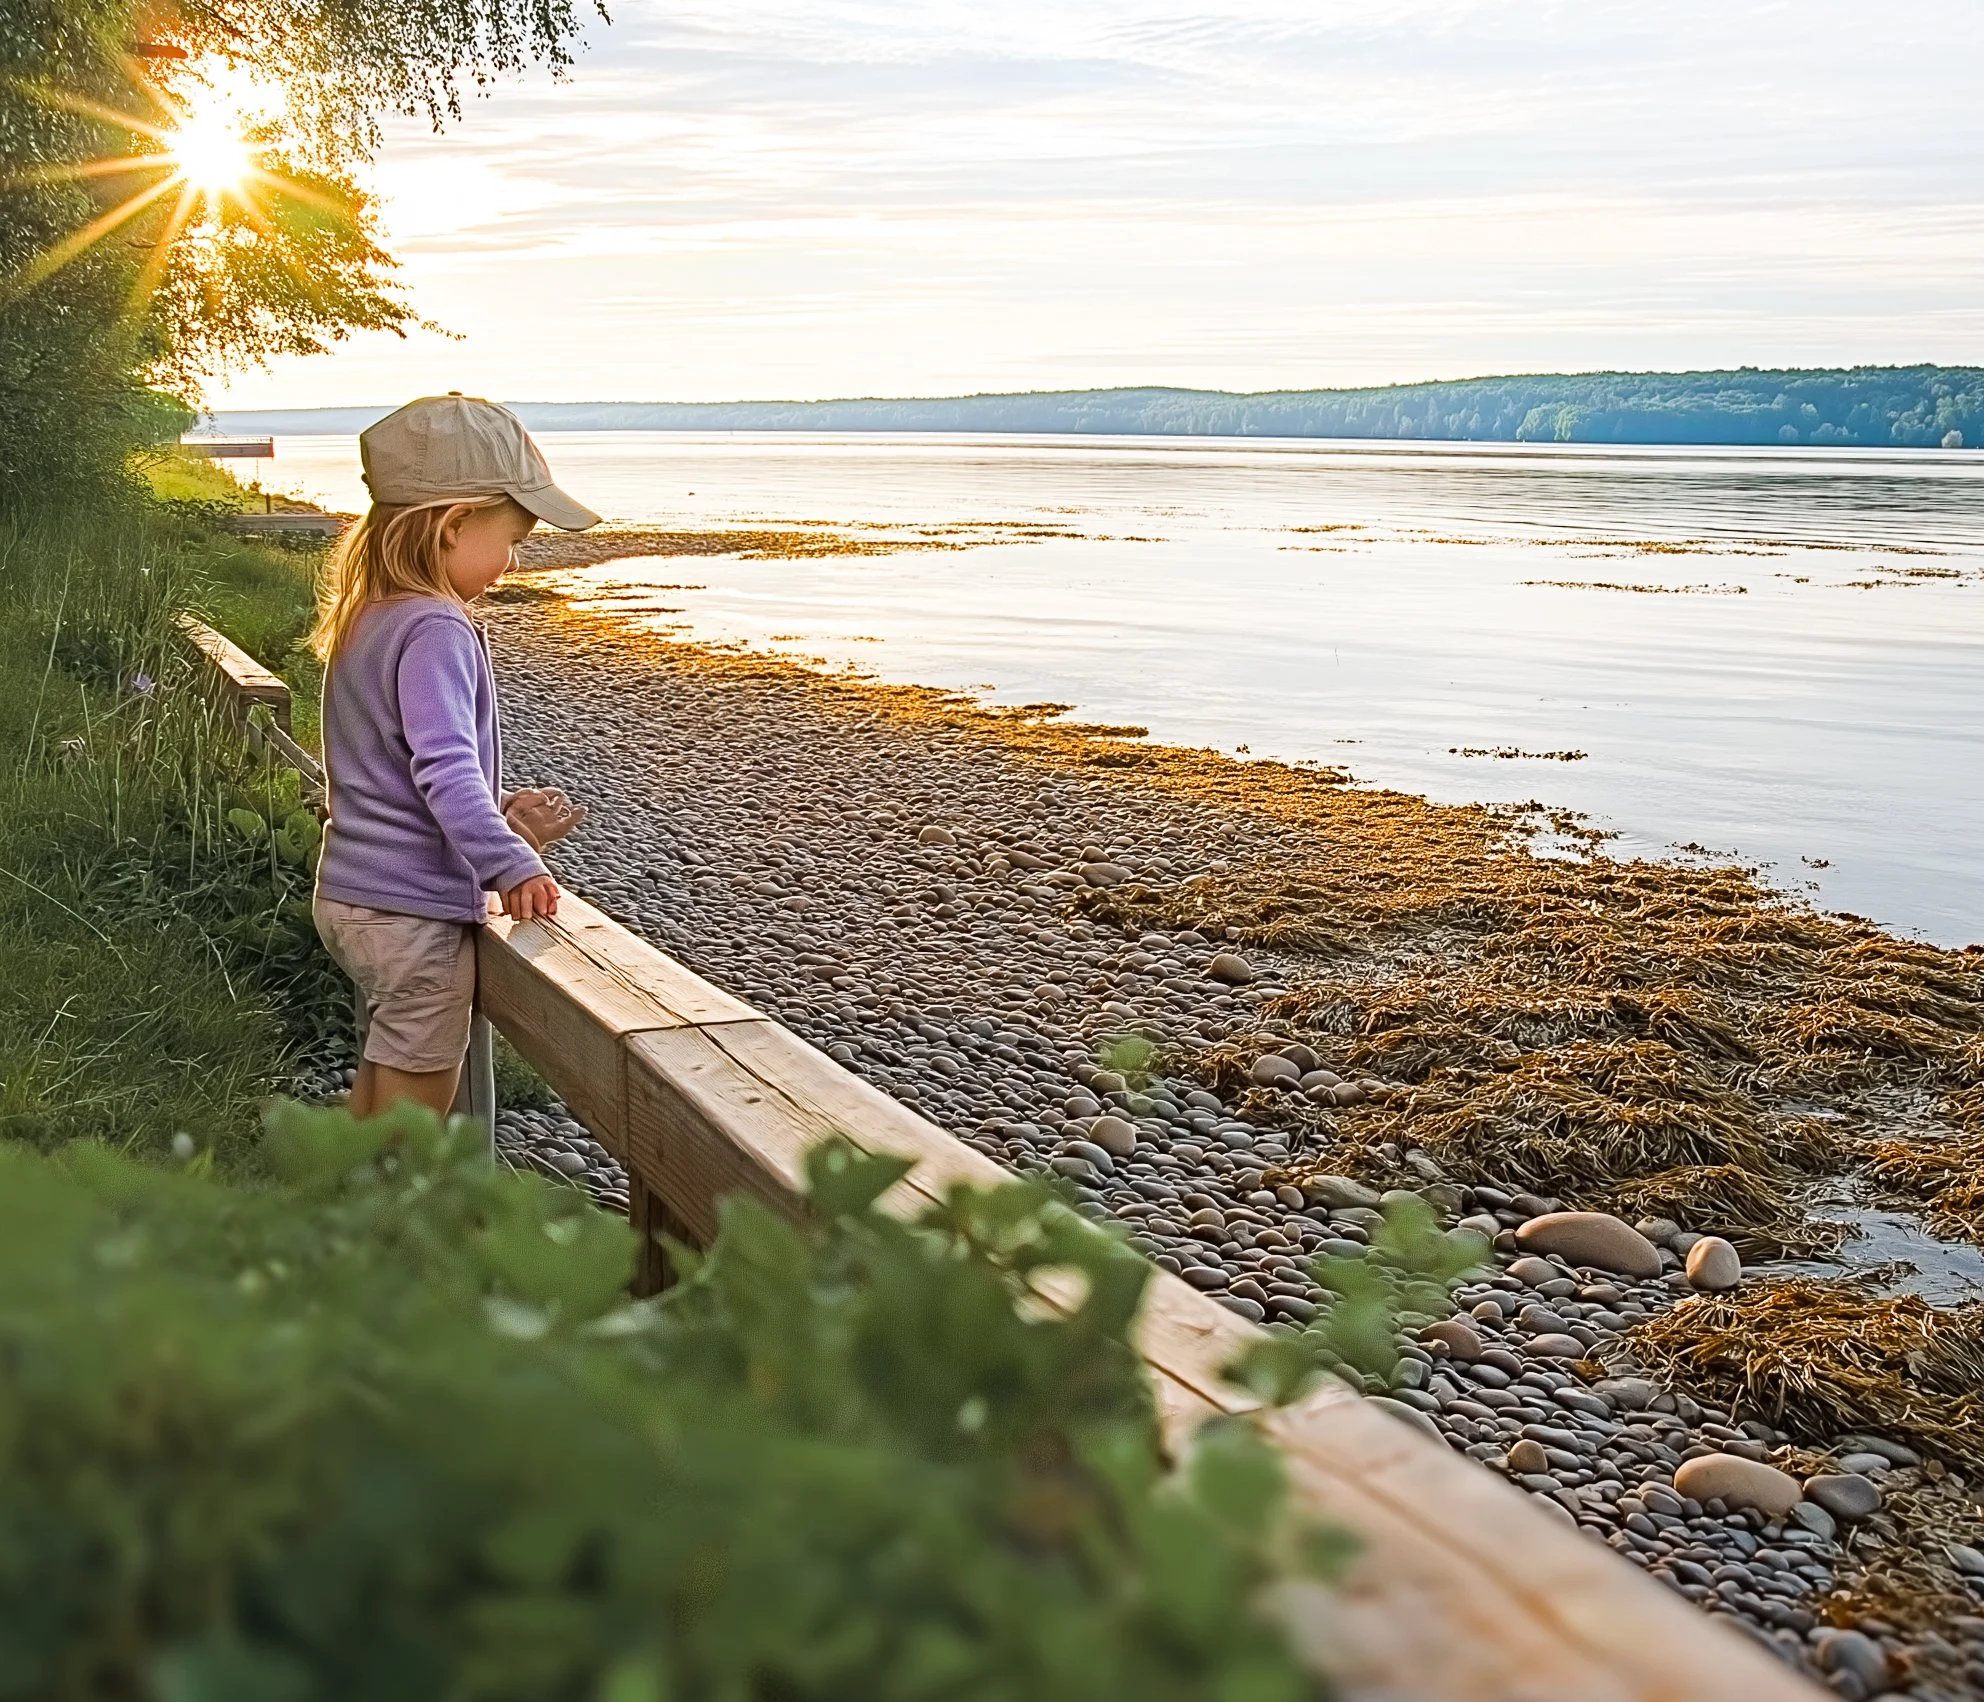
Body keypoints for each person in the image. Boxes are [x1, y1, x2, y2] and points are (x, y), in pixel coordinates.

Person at [309, 393, 599, 1118]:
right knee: (417, 1107)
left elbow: (388, 772)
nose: (512, 561)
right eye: (511, 539)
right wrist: (511, 861)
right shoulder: (436, 625)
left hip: (353, 892)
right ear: (452, 525)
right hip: (409, 913)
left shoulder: (370, 615)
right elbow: (444, 771)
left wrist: (499, 819)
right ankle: (386, 1222)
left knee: (384, 1076)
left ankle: (331, 1208)